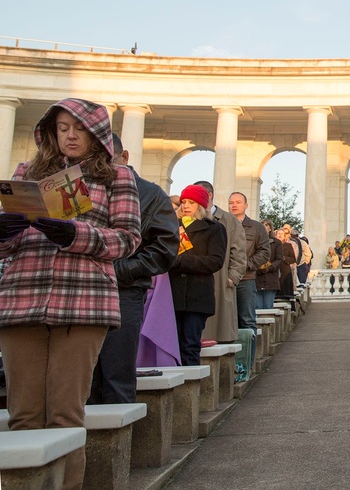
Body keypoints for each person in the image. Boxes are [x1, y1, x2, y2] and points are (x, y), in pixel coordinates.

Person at [0, 98, 141, 490]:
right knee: (23, 416)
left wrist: (76, 234)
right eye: (62, 129)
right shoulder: (27, 172)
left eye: (78, 128)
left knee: (66, 414)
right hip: (21, 300)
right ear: (51, 132)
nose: (70, 136)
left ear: (95, 132)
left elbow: (128, 239)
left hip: (83, 303)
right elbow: (8, 246)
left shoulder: (116, 175)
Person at [91, 134, 179, 405]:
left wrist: (122, 271)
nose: (99, 166)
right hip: (83, 289)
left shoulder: (151, 193)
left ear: (124, 157)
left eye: (107, 159)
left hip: (124, 291)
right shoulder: (85, 188)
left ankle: (118, 433)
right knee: (82, 378)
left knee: (116, 376)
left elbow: (165, 248)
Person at [169, 185, 227, 366]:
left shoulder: (214, 228)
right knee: (172, 345)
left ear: (201, 206)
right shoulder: (171, 226)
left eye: (191, 202)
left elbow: (215, 261)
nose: (186, 206)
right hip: (173, 294)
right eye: (184, 202)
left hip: (197, 295)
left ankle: (190, 383)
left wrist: (181, 261)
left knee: (190, 345)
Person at [195, 181, 246, 344]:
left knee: (219, 334)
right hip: (194, 284)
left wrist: (232, 277)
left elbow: (239, 253)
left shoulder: (229, 220)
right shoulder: (188, 219)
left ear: (209, 195)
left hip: (220, 283)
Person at [228, 191, 270, 366]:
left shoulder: (256, 227)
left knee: (247, 320)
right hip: (225, 280)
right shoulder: (222, 224)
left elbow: (265, 252)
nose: (234, 205)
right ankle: (231, 365)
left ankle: (248, 364)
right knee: (227, 322)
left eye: (238, 202)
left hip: (246, 279)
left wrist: (247, 264)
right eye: (231, 202)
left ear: (246, 205)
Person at [255, 221, 281, 310]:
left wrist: (270, 267)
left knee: (268, 306)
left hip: (271, 278)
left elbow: (279, 259)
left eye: (266, 225)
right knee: (258, 307)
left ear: (270, 228)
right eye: (262, 225)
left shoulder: (276, 243)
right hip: (257, 278)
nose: (264, 227)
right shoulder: (255, 241)